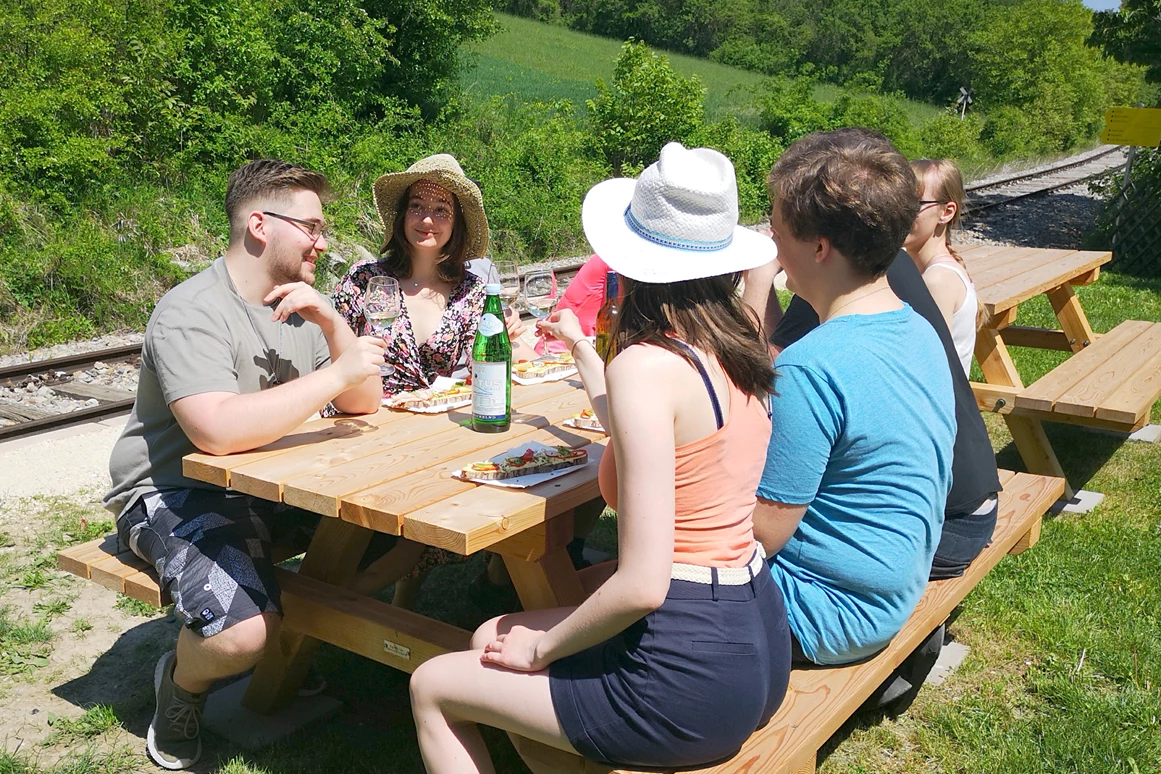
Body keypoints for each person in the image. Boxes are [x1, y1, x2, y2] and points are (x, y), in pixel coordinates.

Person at [408, 143, 790, 772]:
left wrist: (544, 650)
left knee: (434, 686)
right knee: (491, 636)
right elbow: (654, 432)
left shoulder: (648, 365)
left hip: (684, 677)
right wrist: (586, 353)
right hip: (756, 638)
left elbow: (641, 585)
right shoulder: (740, 341)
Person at [102, 159, 386, 770]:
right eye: (311, 226)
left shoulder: (298, 306)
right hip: (174, 492)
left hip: (274, 487)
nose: (323, 240)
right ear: (260, 224)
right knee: (240, 634)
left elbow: (361, 403)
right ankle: (183, 685)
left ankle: (287, 661)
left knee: (389, 538)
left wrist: (333, 324)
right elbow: (217, 433)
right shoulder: (192, 310)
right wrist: (337, 372)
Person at [753, 128, 957, 670]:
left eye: (776, 233)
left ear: (818, 247)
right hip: (892, 590)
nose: (772, 247)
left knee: (644, 574)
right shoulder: (916, 330)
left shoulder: (811, 366)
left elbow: (760, 534)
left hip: (819, 612)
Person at [332, 153, 534, 392]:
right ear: (403, 215)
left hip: (431, 420)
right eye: (416, 206)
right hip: (359, 419)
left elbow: (486, 367)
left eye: (441, 210)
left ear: (457, 223)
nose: (427, 219)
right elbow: (329, 357)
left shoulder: (470, 293)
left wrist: (506, 339)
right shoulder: (362, 280)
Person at [903, 159, 987, 377]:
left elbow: (928, 371)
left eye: (914, 204)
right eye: (895, 201)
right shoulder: (926, 268)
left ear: (946, 212)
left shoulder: (938, 280)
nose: (900, 213)